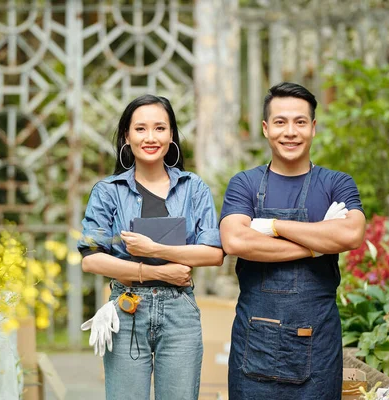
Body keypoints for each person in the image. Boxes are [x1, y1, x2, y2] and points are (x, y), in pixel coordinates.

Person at [219, 82, 366, 399]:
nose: (290, 132)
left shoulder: (336, 183)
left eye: (300, 122)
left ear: (313, 128)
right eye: (280, 122)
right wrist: (317, 242)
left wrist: (272, 225)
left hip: (318, 343)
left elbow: (351, 234)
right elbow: (235, 241)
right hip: (254, 341)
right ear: (265, 128)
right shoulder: (245, 183)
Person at [77, 94, 223, 400]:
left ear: (172, 136)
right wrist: (156, 272)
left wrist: (154, 249)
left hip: (179, 312)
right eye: (140, 129)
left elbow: (213, 253)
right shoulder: (108, 192)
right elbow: (91, 259)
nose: (150, 137)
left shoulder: (193, 188)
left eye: (160, 128)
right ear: (126, 137)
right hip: (127, 309)